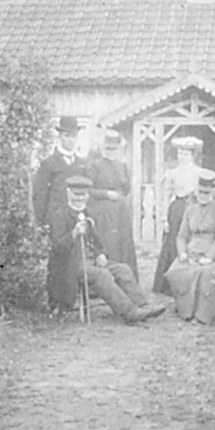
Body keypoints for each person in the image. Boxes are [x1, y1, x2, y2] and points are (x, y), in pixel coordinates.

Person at [49, 175, 166, 324]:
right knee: (102, 274)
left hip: (92, 262)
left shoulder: (90, 213)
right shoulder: (60, 215)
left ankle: (143, 306)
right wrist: (74, 234)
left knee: (123, 269)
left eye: (83, 195)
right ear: (68, 193)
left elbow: (99, 241)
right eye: (76, 195)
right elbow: (57, 248)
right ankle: (130, 312)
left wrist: (101, 254)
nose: (80, 199)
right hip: (71, 265)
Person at [32, 115, 87, 314]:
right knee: (57, 259)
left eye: (72, 136)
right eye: (66, 136)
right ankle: (55, 301)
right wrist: (42, 221)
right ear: (60, 137)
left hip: (76, 215)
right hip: (56, 217)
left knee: (75, 257)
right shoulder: (49, 164)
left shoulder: (81, 164)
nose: (69, 140)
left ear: (77, 138)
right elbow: (40, 194)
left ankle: (71, 299)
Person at [164, 169, 215, 325]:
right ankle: (186, 310)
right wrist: (182, 252)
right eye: (200, 192)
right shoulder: (190, 210)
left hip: (214, 253)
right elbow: (182, 236)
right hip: (192, 252)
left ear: (212, 193)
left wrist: (210, 256)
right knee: (175, 271)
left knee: (206, 273)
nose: (203, 196)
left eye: (206, 193)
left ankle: (203, 314)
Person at [152, 136, 203, 295]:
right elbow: (165, 196)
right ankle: (169, 284)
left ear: (192, 155)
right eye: (180, 153)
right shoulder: (172, 173)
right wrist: (164, 218)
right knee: (174, 243)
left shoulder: (199, 172)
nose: (182, 157)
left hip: (194, 208)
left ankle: (191, 282)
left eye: (186, 154)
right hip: (177, 210)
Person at [86, 129, 139, 281]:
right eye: (108, 149)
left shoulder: (122, 166)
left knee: (123, 242)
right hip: (104, 212)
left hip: (121, 212)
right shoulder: (95, 166)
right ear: (103, 149)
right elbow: (90, 190)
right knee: (109, 243)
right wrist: (106, 194)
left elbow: (127, 188)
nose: (111, 152)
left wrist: (120, 196)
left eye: (114, 149)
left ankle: (127, 279)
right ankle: (109, 279)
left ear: (118, 150)